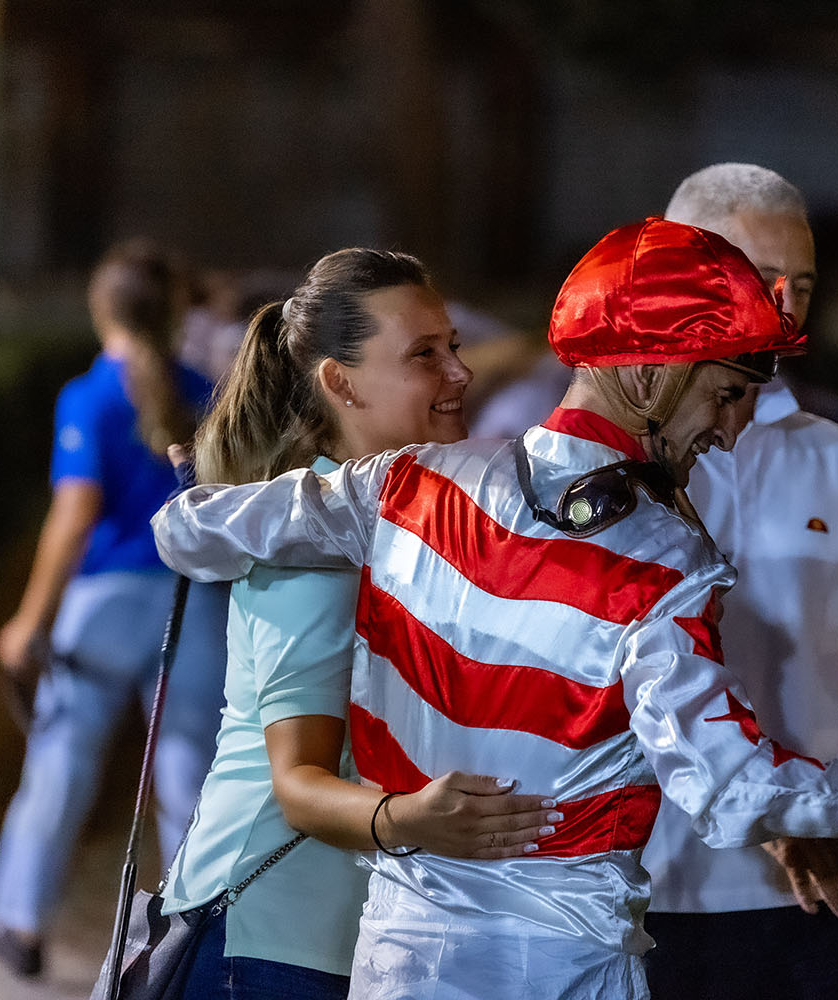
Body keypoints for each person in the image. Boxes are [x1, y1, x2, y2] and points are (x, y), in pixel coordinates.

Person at [152, 217, 838, 999]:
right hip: (564, 969)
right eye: (725, 392)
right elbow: (733, 790)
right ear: (650, 375)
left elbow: (186, 532)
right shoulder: (668, 566)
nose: (732, 430)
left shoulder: (401, 485)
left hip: (396, 963)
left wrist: (226, 483)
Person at [162, 247, 559, 1000]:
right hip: (268, 940)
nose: (460, 373)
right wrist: (419, 818)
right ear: (340, 383)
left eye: (454, 347)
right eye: (423, 355)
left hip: (341, 940)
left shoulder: (405, 524)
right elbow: (299, 786)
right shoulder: (309, 540)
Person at [639, 163, 838, 1000]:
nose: (786, 304)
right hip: (660, 881)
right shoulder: (616, 459)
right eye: (761, 280)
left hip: (833, 887)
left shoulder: (835, 449)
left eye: (804, 284)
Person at [0, 239, 227, 978]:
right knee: (190, 773)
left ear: (102, 310)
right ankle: (196, 944)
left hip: (106, 602)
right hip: (192, 599)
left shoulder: (88, 397)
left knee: (62, 760)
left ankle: (20, 921)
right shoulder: (207, 391)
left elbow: (75, 512)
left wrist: (31, 616)